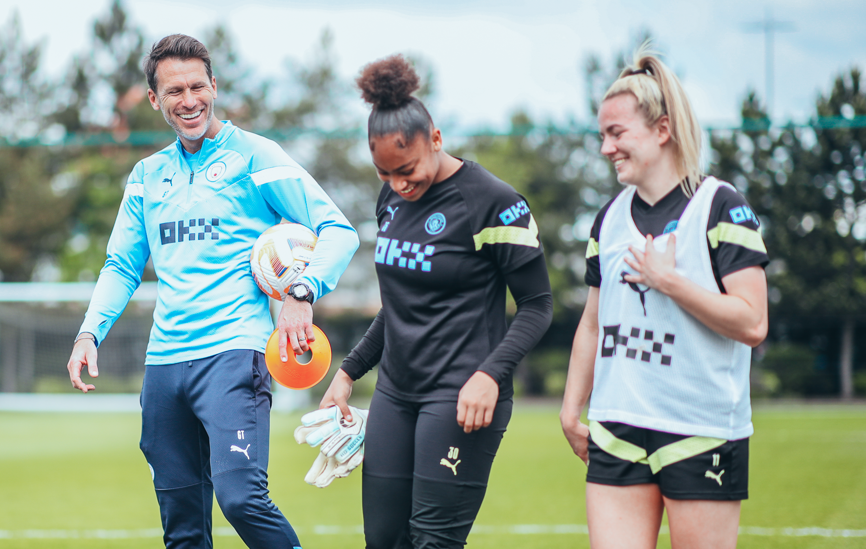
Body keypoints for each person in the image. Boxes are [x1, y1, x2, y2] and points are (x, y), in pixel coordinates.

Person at [65, 34, 359, 549]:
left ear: (215, 87)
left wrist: (301, 291)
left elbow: (338, 229)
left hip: (234, 353)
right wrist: (90, 331)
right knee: (181, 527)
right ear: (155, 100)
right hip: (164, 364)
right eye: (174, 91)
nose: (189, 100)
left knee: (242, 498)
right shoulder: (145, 176)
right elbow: (121, 264)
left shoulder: (255, 156)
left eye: (198, 86)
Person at [319, 55, 554, 549]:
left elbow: (537, 305)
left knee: (432, 543)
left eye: (406, 170)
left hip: (461, 394)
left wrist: (491, 375)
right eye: (385, 174)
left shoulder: (494, 202)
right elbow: (399, 306)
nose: (399, 185)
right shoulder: (391, 201)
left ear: (437, 138)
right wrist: (348, 373)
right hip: (395, 394)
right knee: (384, 541)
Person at [559, 45, 769, 549]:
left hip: (701, 430)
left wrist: (669, 281)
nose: (606, 148)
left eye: (617, 133)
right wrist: (572, 406)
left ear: (662, 130)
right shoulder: (609, 219)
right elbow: (592, 322)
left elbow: (753, 322)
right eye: (603, 135)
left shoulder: (720, 207)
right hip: (617, 428)